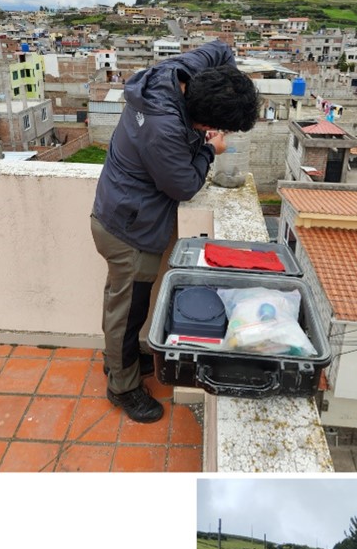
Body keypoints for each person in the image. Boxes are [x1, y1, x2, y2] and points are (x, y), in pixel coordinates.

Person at [90, 40, 260, 422]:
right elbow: (183, 186)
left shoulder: (177, 73)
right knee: (128, 311)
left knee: (124, 303)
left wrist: (229, 81)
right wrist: (208, 149)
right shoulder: (164, 129)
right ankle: (122, 385)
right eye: (212, 126)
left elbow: (220, 48)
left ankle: (121, 359)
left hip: (117, 209)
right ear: (200, 118)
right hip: (129, 228)